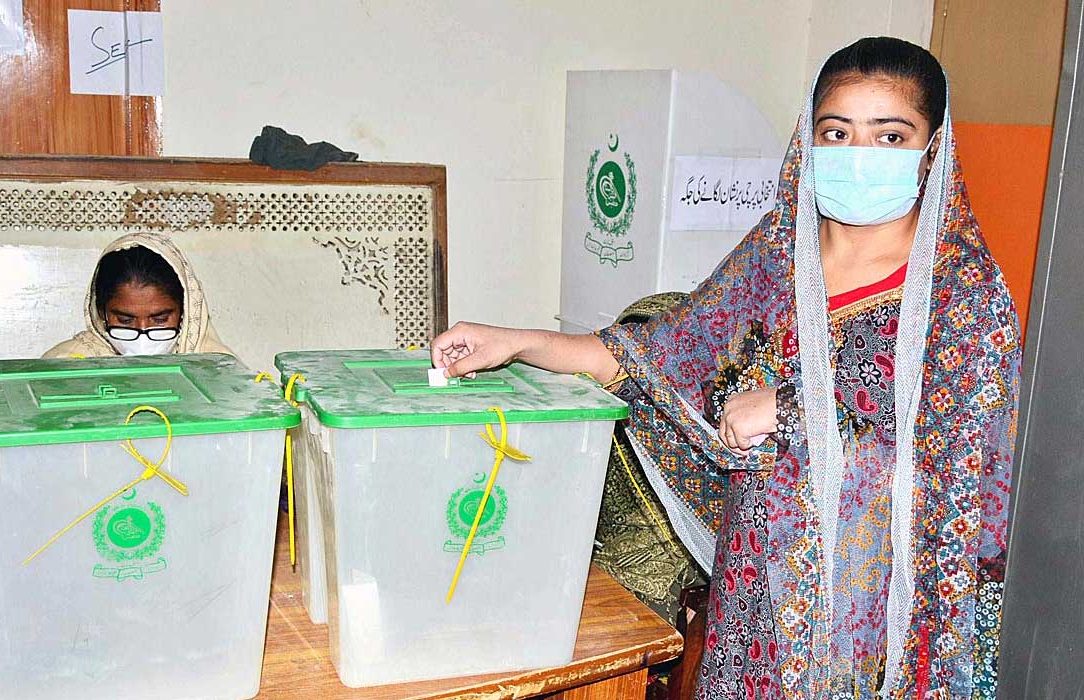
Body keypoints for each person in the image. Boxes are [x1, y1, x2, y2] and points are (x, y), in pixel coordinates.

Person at [432, 37, 1019, 700]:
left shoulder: (962, 290)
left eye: (889, 136)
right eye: (837, 132)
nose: (859, 156)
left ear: (933, 149)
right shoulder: (775, 255)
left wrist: (795, 408)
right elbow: (649, 357)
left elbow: (964, 456)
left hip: (880, 619)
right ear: (809, 138)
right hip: (756, 590)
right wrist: (510, 341)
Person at [44, 231, 235, 358]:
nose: (142, 334)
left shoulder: (219, 372)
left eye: (160, 319)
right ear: (101, 313)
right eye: (125, 320)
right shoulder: (67, 364)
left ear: (185, 311)